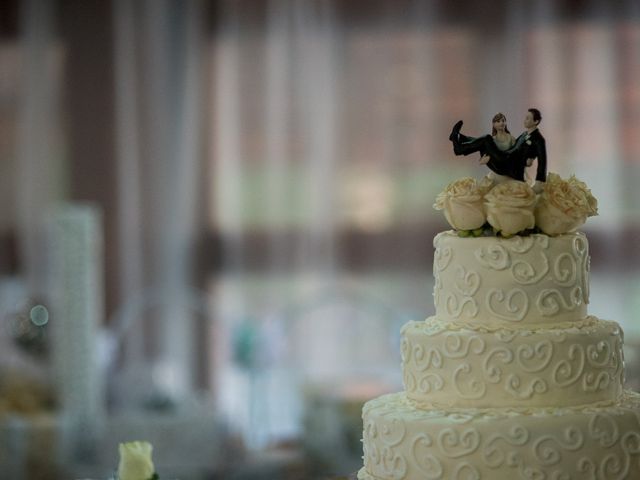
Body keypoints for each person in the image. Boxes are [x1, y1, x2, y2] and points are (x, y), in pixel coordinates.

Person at [450, 108, 547, 188]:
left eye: (528, 118)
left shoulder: (538, 139)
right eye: (525, 118)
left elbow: (542, 162)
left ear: (536, 121)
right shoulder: (525, 134)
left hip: (508, 165)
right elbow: (515, 148)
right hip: (504, 158)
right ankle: (460, 138)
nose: (524, 120)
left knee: (486, 139)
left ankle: (459, 145)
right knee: (486, 141)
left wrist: (539, 183)